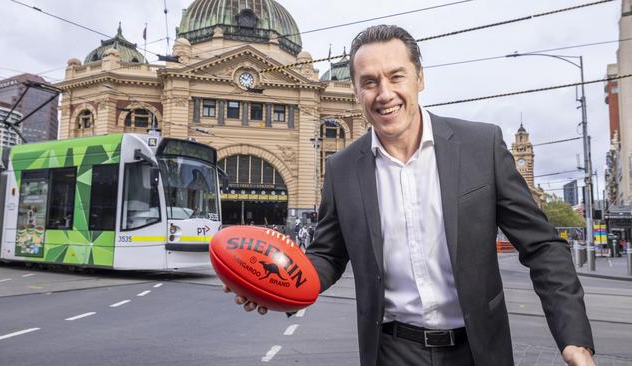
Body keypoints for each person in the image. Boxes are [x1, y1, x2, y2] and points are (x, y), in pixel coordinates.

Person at [226, 24, 594, 366]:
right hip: (392, 351)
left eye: (396, 76)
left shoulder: (481, 147)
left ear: (419, 78)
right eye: (369, 82)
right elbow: (328, 254)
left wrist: (574, 338)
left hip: (478, 349)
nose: (384, 94)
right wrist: (275, 284)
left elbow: (543, 247)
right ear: (355, 92)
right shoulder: (342, 169)